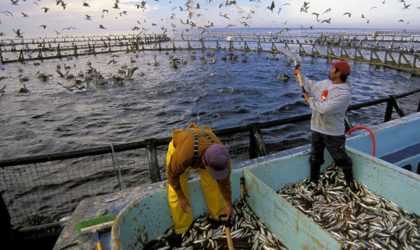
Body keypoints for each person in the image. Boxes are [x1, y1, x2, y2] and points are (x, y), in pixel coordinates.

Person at [165, 124, 232, 246]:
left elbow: (225, 183)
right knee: (176, 193)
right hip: (182, 147)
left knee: (214, 185)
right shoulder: (183, 157)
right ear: (205, 164)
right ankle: (182, 229)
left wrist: (228, 203)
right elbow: (171, 175)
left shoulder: (223, 159)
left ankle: (218, 216)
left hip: (204, 146)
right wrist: (181, 197)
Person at [294, 60, 355, 191]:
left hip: (333, 133)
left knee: (341, 159)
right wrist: (300, 76)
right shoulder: (326, 83)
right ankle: (313, 182)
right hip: (317, 129)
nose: (330, 70)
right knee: (315, 158)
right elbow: (311, 86)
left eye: (332, 68)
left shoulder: (344, 93)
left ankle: (351, 184)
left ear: (338, 73)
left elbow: (325, 109)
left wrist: (308, 99)